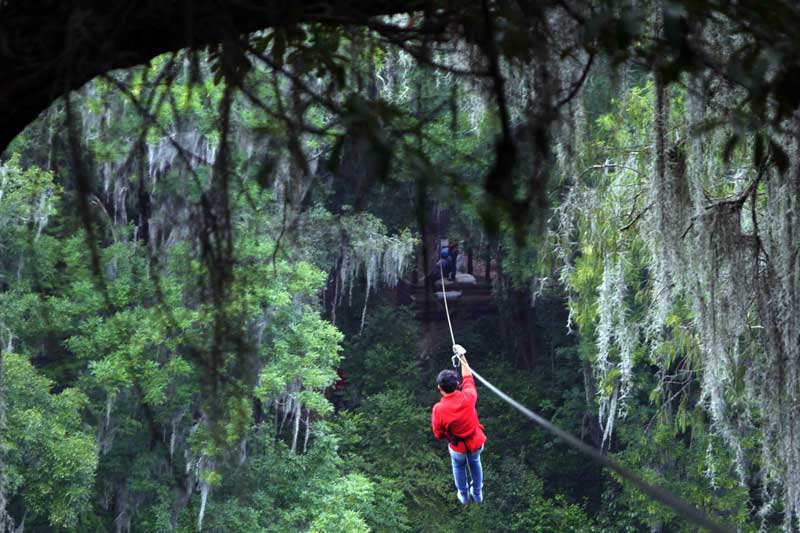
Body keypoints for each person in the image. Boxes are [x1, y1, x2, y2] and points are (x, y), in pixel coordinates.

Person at [431, 345, 486, 504]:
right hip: (475, 442)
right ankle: (477, 492)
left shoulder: (439, 409)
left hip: (458, 446)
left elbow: (438, 433)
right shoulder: (468, 396)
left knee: (458, 466)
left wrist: (449, 435)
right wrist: (462, 356)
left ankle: (463, 494)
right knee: (475, 463)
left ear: (440, 388)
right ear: (457, 384)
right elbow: (468, 378)